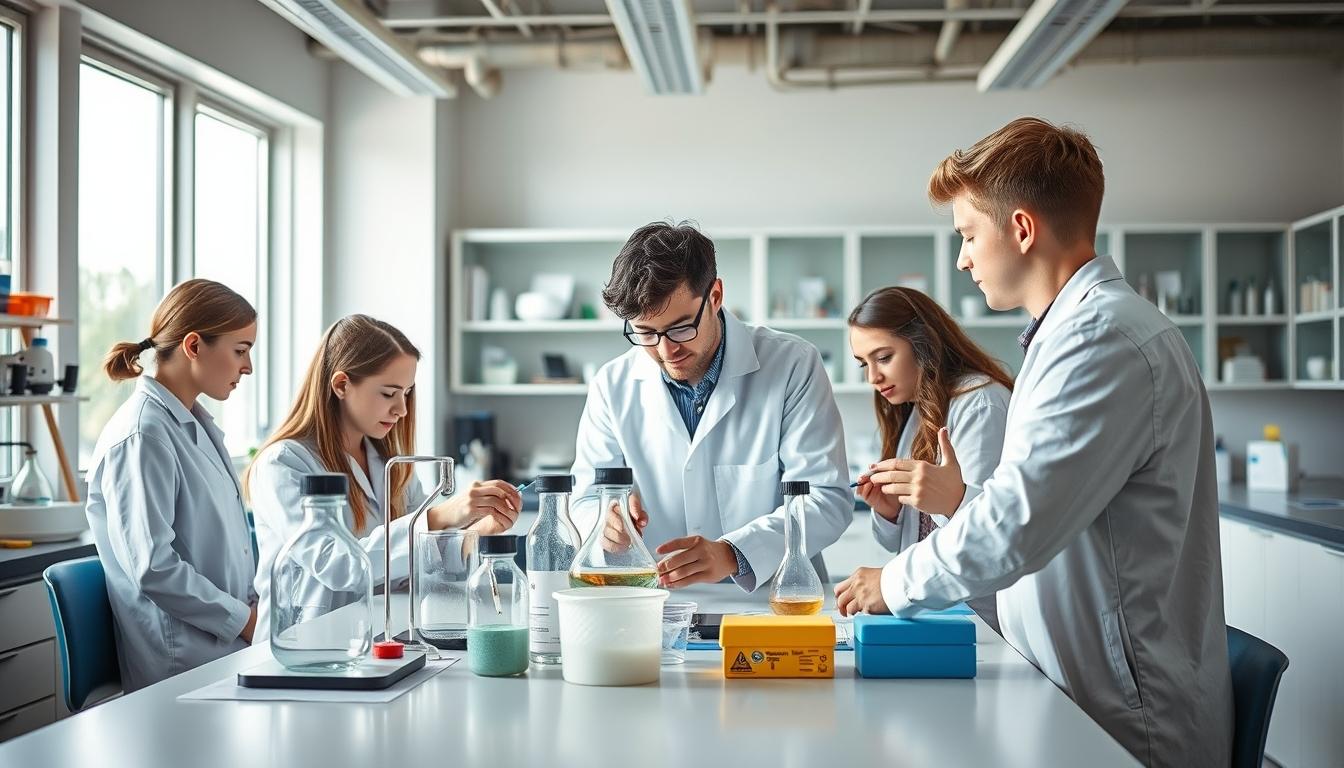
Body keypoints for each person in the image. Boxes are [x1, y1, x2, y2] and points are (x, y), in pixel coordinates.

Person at [834, 117, 1232, 768]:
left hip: (1127, 717)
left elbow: (1015, 522)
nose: (962, 257)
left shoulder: (1102, 341)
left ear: (1020, 229)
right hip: (1075, 691)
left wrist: (896, 582)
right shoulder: (1073, 338)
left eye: (968, 234)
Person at [571, 221, 850, 591]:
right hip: (654, 604)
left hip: (771, 601)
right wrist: (605, 520)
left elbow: (826, 498)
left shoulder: (792, 365)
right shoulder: (612, 385)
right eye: (646, 333)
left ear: (715, 296)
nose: (667, 350)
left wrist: (734, 553)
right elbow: (586, 496)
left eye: (681, 327)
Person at [244, 315, 519, 639]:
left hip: (375, 640)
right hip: (304, 645)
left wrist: (476, 532)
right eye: (389, 394)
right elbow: (338, 565)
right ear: (342, 385)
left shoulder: (391, 464)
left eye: (407, 393)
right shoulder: (284, 464)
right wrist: (441, 514)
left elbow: (420, 565)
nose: (401, 409)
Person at [85, 279, 259, 691]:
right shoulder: (143, 435)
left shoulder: (191, 423)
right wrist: (245, 621)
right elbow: (154, 568)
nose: (248, 367)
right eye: (240, 351)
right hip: (184, 663)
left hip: (228, 645)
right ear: (194, 346)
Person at [847, 286, 1011, 628]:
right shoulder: (917, 413)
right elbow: (903, 542)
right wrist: (889, 513)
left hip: (981, 615)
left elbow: (992, 533)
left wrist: (951, 499)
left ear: (922, 343)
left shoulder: (981, 403)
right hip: (932, 607)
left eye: (884, 357)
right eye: (864, 363)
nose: (873, 377)